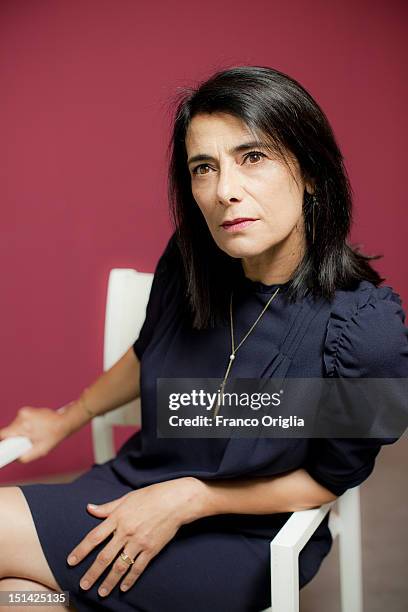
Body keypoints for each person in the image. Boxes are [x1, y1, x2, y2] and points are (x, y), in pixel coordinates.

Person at [0, 65, 407, 612]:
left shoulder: (364, 333)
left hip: (245, 534)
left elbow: (327, 480)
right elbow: (149, 351)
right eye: (204, 167)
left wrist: (192, 498)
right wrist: (65, 418)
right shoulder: (194, 261)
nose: (224, 191)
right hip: (133, 485)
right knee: (20, 601)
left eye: (252, 157)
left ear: (311, 171)